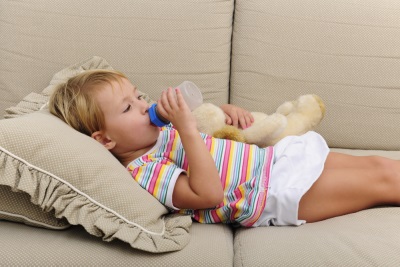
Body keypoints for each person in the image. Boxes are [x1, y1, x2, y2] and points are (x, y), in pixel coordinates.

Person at [49, 69, 400, 227]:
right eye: (127, 108)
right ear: (105, 140)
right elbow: (209, 194)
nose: (144, 105)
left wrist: (226, 116)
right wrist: (186, 129)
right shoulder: (144, 170)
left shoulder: (162, 129)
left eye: (138, 96)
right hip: (269, 193)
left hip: (273, 160)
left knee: (379, 165)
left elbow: (211, 134)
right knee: (381, 183)